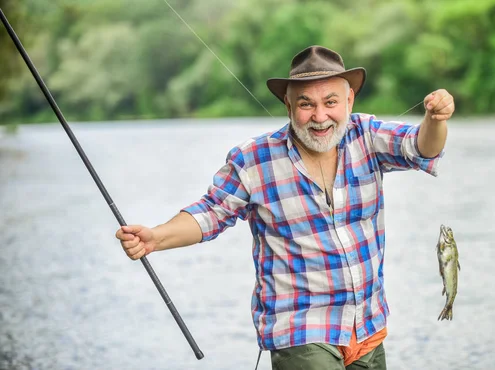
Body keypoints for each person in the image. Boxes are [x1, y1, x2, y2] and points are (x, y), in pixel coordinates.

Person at [115, 45, 454, 369]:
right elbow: (211, 212)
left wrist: (436, 120)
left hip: (367, 324)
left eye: (331, 102)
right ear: (289, 107)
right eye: (306, 104)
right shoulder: (253, 159)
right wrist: (156, 237)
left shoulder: (366, 134)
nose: (320, 116)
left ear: (349, 99)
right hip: (300, 329)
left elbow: (421, 148)